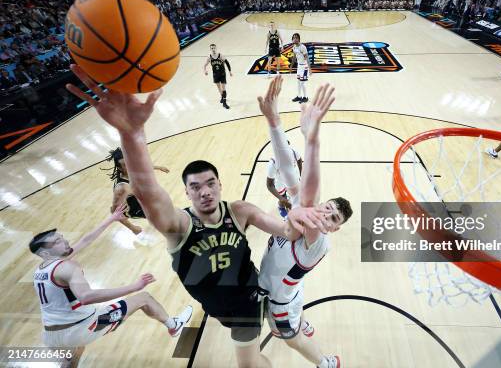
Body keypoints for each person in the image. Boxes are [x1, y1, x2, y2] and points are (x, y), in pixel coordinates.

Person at [66, 64, 329, 368]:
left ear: (220, 185)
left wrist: (301, 194)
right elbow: (148, 192)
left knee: (250, 365)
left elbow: (288, 230)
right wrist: (132, 135)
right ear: (187, 193)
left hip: (247, 301)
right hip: (219, 307)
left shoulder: (239, 211)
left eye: (210, 184)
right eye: (196, 187)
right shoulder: (179, 225)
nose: (205, 191)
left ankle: (303, 339)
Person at [257, 76, 353, 368]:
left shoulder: (318, 242)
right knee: (297, 302)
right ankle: (305, 322)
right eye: (328, 209)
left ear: (334, 229)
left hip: (280, 301)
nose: (326, 215)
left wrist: (313, 140)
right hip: (290, 290)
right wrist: (274, 123)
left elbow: (310, 198)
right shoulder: (307, 209)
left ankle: (325, 363)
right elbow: (287, 166)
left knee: (291, 338)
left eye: (333, 218)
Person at [30, 204, 192, 367]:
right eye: (57, 241)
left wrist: (111, 219)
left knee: (73, 357)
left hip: (51, 335)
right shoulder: (68, 267)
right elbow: (86, 297)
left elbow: (86, 240)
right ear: (45, 253)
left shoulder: (41, 269)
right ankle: (174, 326)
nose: (64, 240)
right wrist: (134, 286)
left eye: (62, 236)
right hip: (84, 327)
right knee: (144, 298)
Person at [105, 147, 169, 237]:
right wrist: (133, 228)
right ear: (119, 168)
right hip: (134, 208)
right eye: (125, 165)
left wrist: (158, 167)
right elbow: (114, 212)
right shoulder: (122, 188)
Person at [267, 141, 302, 219]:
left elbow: (299, 160)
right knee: (284, 200)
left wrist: (301, 174)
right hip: (281, 182)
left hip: (294, 178)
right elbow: (269, 185)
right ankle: (281, 207)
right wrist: (281, 198)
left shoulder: (293, 152)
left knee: (297, 196)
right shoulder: (273, 163)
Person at [203, 44, 232, 109]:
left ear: (216, 48)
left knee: (223, 88)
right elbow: (205, 65)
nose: (213, 49)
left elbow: (227, 62)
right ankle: (222, 97)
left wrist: (230, 71)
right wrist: (205, 71)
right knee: (219, 88)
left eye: (214, 48)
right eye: (212, 48)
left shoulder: (220, 55)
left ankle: (224, 103)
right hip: (215, 74)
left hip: (222, 73)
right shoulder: (209, 57)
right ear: (210, 49)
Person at [290, 33, 311, 104]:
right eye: (293, 38)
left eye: (296, 38)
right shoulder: (294, 47)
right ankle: (299, 96)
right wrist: (291, 66)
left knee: (302, 83)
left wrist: (310, 69)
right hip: (299, 66)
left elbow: (307, 58)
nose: (294, 39)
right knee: (298, 82)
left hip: (304, 67)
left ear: (299, 39)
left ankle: (305, 97)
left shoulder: (303, 47)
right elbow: (294, 57)